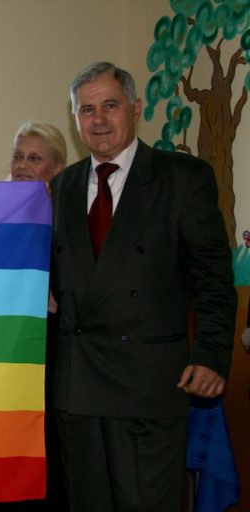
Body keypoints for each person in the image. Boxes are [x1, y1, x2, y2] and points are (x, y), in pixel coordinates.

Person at [49, 61, 236, 511]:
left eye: (110, 106)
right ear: (75, 119)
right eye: (86, 109)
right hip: (77, 390)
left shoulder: (182, 178)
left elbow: (213, 278)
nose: (98, 120)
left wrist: (211, 354)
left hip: (149, 386)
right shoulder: (62, 186)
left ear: (135, 108)